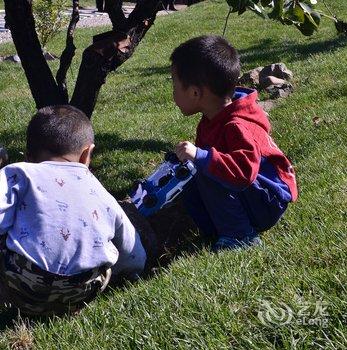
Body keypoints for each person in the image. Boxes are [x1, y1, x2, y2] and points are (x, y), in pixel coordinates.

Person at [0, 105, 146, 315]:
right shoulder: (97, 188)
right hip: (85, 289)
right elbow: (131, 249)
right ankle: (66, 307)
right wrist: (133, 274)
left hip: (24, 286)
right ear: (87, 153)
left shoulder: (19, 173)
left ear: (28, 155)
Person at [170, 35, 298, 252]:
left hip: (268, 199)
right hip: (251, 192)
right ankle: (219, 230)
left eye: (175, 85)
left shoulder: (237, 125)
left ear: (195, 92)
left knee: (209, 169)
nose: (172, 93)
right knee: (196, 173)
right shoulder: (211, 118)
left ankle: (241, 236)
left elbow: (243, 172)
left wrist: (201, 157)